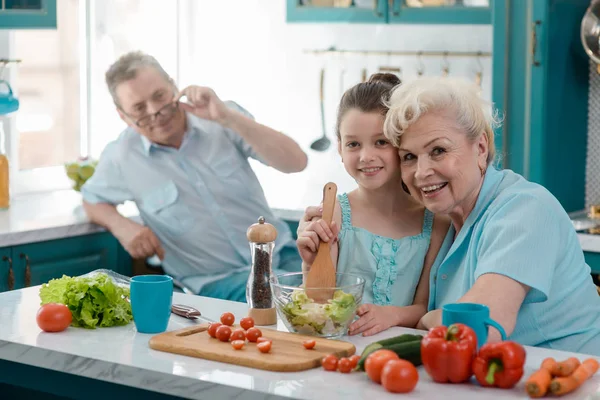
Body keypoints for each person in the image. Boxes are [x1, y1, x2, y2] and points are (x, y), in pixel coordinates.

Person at [383, 76, 600, 355]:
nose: (421, 172)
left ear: (481, 148)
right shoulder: (444, 221)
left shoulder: (526, 208)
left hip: (572, 383)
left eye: (438, 150)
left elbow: (480, 328)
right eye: (409, 157)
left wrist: (425, 319)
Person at [81, 51, 307, 302]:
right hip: (218, 282)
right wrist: (122, 226)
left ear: (173, 85)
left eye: (159, 96)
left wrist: (228, 117)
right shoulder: (121, 157)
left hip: (284, 254)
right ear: (123, 116)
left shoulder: (222, 117)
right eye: (139, 108)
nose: (157, 111)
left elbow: (296, 162)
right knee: (300, 306)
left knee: (347, 297)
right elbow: (92, 199)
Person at [297, 73, 450, 337]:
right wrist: (309, 264)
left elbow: (424, 307)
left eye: (381, 142)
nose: (366, 157)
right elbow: (318, 306)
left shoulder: (435, 220)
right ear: (340, 148)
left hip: (400, 358)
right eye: (353, 144)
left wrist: (391, 315)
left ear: (402, 142)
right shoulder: (334, 212)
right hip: (340, 351)